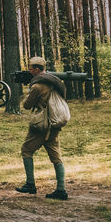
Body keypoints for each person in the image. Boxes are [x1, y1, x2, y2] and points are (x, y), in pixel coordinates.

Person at [16, 56, 70, 200]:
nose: (29, 71)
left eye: (31, 69)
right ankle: (61, 189)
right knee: (56, 156)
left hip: (42, 125)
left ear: (37, 69)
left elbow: (27, 105)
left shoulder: (37, 86)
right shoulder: (54, 82)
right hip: (54, 124)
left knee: (26, 150)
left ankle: (30, 184)